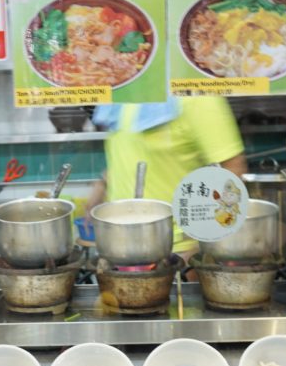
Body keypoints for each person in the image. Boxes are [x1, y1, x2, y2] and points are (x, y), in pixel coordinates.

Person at [88, 95, 248, 261]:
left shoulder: (198, 96)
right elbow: (132, 150)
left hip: (177, 251)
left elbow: (233, 170)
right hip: (121, 245)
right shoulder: (126, 94)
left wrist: (205, 244)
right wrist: (103, 183)